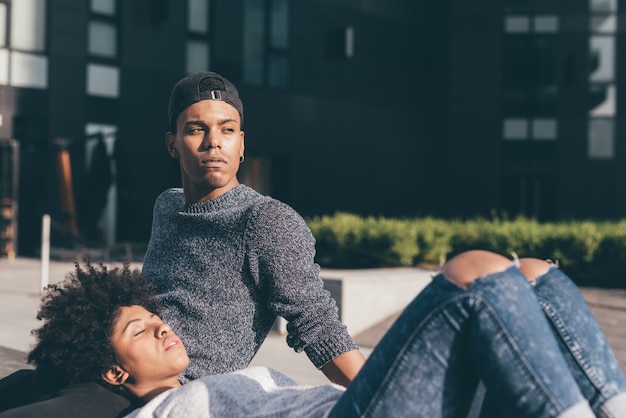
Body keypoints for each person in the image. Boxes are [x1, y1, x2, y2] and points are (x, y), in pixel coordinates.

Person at [3, 251, 626, 417]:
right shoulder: (155, 415)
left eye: (154, 315)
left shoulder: (199, 381)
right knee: (473, 273)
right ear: (114, 373)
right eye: (141, 329)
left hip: (368, 403)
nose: (162, 326)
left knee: (535, 274)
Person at [141, 70, 365, 386]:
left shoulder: (266, 222)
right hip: (121, 372)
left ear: (241, 143)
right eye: (196, 129)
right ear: (172, 144)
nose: (213, 142)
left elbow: (319, 326)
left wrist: (382, 402)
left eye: (227, 130)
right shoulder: (166, 206)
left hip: (182, 395)